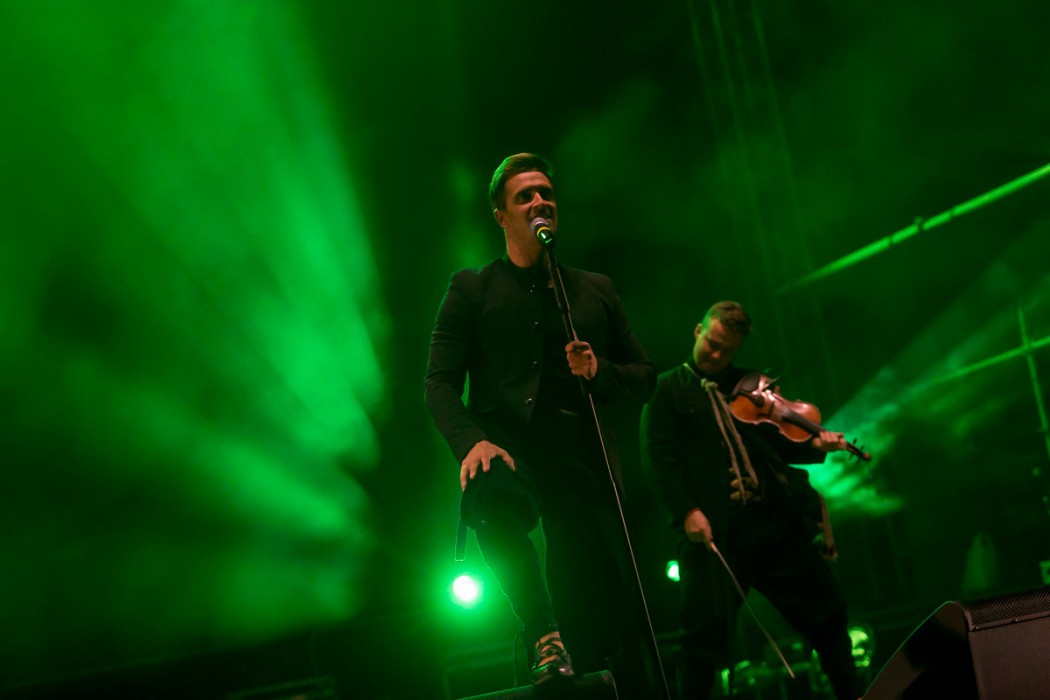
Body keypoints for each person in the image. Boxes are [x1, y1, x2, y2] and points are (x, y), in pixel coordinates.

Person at [424, 153, 656, 686]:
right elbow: (438, 383)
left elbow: (645, 376)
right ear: (501, 216)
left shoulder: (594, 289)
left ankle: (568, 657)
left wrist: (599, 372)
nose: (539, 202)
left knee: (593, 614)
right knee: (488, 492)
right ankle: (541, 632)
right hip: (510, 448)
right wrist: (471, 443)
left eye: (546, 193)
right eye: (524, 196)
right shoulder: (470, 289)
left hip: (579, 459)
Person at [642, 301, 863, 700]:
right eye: (712, 343)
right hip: (714, 530)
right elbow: (659, 461)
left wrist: (817, 445)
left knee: (827, 609)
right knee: (702, 637)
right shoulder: (667, 389)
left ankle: (853, 694)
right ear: (698, 331)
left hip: (769, 521)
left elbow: (779, 441)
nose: (716, 354)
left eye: (726, 349)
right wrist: (686, 511)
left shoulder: (750, 384)